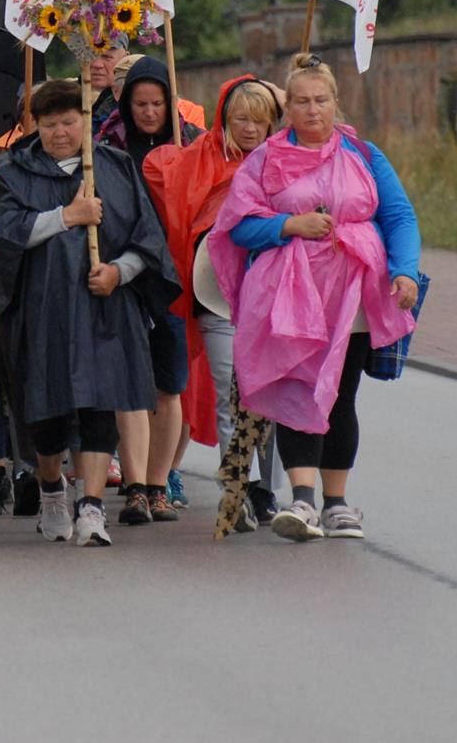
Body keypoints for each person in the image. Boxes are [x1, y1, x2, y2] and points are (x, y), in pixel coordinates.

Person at [211, 54, 422, 542]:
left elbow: (399, 216)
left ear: (335, 103)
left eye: (321, 100)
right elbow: (238, 226)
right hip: (288, 294)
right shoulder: (266, 159)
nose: (312, 110)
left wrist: (404, 271)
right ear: (287, 107)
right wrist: (289, 224)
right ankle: (302, 500)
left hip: (355, 293)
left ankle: (337, 504)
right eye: (302, 101)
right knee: (297, 388)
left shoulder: (364, 154)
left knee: (341, 394)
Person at [0, 78, 178, 549]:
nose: (60, 133)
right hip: (42, 311)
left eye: (69, 123)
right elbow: (3, 231)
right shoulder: (13, 174)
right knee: (46, 416)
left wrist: (119, 271)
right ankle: (53, 488)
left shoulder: (115, 167)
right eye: (49, 124)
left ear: (85, 123)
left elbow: (148, 238)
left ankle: (91, 505)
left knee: (100, 404)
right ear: (35, 125)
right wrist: (67, 217)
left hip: (105, 308)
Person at [142, 75, 284, 520]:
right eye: (241, 118)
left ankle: (267, 489)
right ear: (224, 119)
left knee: (271, 395)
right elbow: (156, 170)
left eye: (259, 120)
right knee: (229, 393)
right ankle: (237, 487)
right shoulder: (200, 158)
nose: (250, 128)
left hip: (273, 296)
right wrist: (178, 156)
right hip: (215, 293)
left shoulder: (286, 163)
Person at [96, 55, 205, 525]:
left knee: (169, 384)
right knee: (129, 384)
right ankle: (135, 485)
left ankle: (160, 483)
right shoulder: (108, 148)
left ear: (169, 101)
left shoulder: (192, 144)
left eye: (157, 103)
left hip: (174, 280)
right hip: (127, 278)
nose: (148, 112)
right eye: (139, 103)